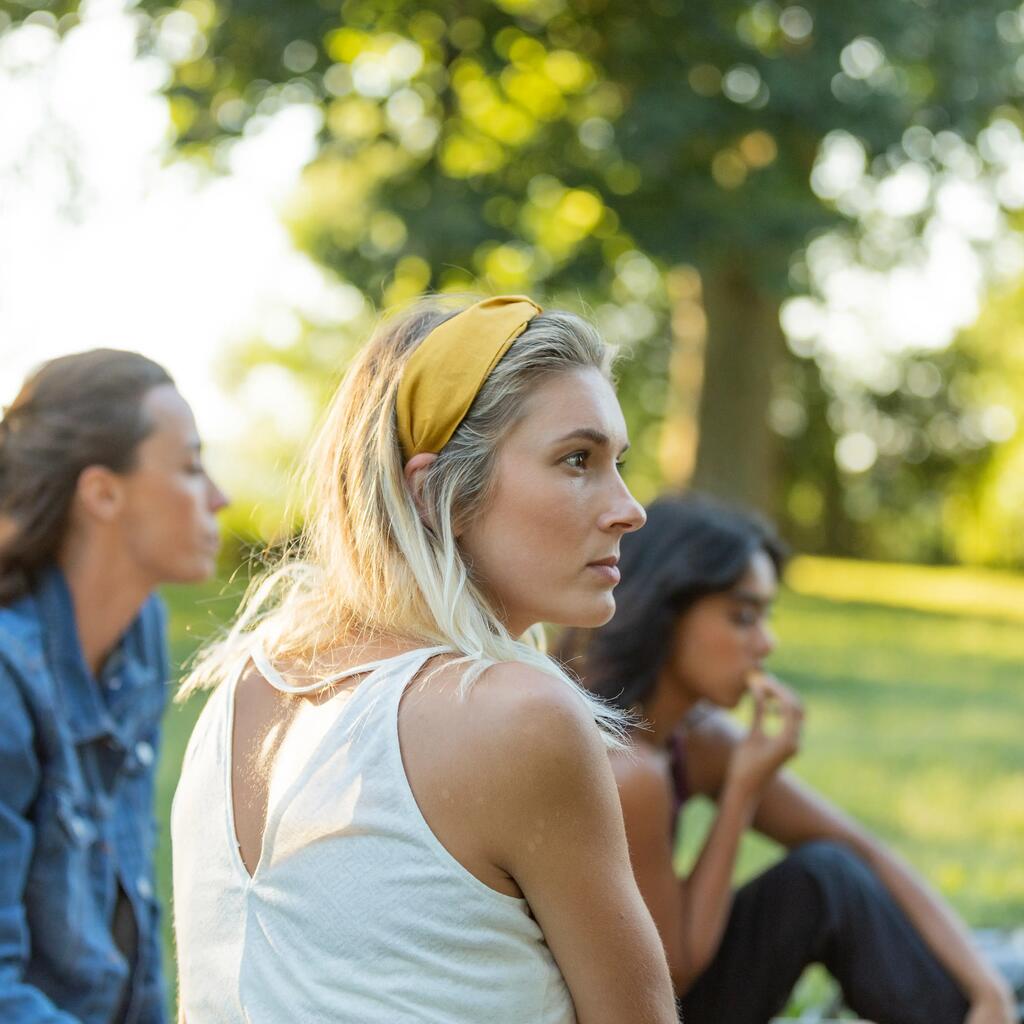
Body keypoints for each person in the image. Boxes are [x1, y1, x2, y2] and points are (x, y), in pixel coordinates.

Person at [171, 295, 678, 1024]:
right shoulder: (517, 717)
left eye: (616, 463)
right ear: (437, 491)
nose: (629, 508)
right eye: (578, 460)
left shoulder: (240, 685)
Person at [564, 493, 1017, 1024]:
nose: (767, 642)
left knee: (828, 872)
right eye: (742, 617)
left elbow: (862, 849)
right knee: (822, 879)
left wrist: (988, 991)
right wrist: (741, 795)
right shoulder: (624, 765)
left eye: (766, 616)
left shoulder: (697, 739)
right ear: (666, 612)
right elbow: (674, 972)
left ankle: (991, 991)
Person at [0, 349, 228, 1023]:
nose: (219, 496)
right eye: (189, 467)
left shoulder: (138, 634)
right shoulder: (7, 680)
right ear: (103, 492)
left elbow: (124, 900)